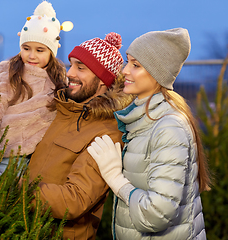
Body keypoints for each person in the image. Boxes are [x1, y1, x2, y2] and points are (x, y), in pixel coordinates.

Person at [88, 28, 211, 239]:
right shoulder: (144, 119)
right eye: (127, 62)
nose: (125, 71)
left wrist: (117, 180)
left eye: (135, 65)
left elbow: (157, 214)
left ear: (157, 73)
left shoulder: (168, 127)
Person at [28, 32, 134, 240]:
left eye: (81, 68)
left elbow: (74, 201)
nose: (70, 73)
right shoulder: (60, 111)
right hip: (25, 229)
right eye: (71, 65)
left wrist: (17, 190)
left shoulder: (108, 133)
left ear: (103, 81)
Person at [0, 1, 66, 176]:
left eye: (40, 50)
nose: (31, 55)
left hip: (39, 154)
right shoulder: (10, 72)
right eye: (26, 48)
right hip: (5, 152)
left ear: (51, 52)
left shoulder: (59, 81)